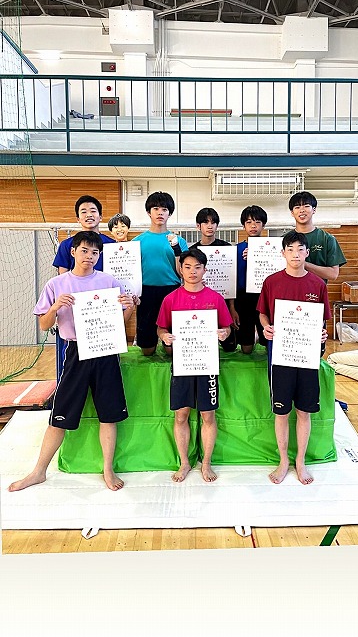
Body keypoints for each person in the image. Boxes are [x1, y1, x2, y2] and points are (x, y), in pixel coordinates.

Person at [8, 231, 134, 493]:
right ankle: (38, 471)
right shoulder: (57, 284)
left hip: (105, 351)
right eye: (84, 251)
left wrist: (130, 307)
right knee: (59, 414)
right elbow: (44, 325)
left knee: (108, 415)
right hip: (75, 351)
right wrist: (55, 307)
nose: (90, 256)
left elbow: (119, 323)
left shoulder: (109, 282)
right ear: (73, 252)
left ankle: (108, 468)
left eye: (95, 252)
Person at [257, 230, 331, 486]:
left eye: (300, 249)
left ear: (307, 253)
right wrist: (266, 327)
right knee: (281, 412)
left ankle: (300, 461)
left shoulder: (318, 284)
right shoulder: (272, 282)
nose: (296, 254)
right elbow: (263, 314)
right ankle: (283, 461)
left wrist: (322, 334)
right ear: (283, 253)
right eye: (290, 249)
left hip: (307, 357)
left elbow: (322, 321)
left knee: (303, 412)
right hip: (281, 356)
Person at [156, 248, 232, 483]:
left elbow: (227, 327)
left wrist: (224, 333)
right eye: (187, 267)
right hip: (182, 363)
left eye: (197, 267)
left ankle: (206, 463)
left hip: (207, 364)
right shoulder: (171, 299)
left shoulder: (215, 298)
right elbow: (161, 327)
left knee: (208, 415)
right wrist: (164, 336)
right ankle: (185, 462)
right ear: (181, 269)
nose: (192, 271)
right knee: (181, 415)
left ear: (204, 270)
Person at [132, 191, 189, 356]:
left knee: (172, 348)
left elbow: (183, 273)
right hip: (146, 292)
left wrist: (177, 250)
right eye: (156, 209)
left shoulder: (179, 241)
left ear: (169, 213)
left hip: (172, 291)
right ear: (148, 212)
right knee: (147, 348)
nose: (160, 213)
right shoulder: (137, 242)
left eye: (164, 209)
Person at [227, 205, 268, 354]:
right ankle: (251, 341)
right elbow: (231, 280)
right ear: (243, 225)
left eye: (257, 222)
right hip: (243, 297)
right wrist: (232, 307)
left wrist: (258, 256)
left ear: (263, 225)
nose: (253, 226)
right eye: (249, 222)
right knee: (246, 348)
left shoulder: (272, 249)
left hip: (264, 296)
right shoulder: (236, 249)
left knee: (267, 340)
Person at [288, 191, 346, 283]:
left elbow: (333, 274)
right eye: (297, 207)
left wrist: (303, 264)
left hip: (316, 290)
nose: (302, 210)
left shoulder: (327, 239)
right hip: (289, 290)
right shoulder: (283, 240)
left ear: (314, 210)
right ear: (292, 212)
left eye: (306, 206)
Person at [53, 195, 115, 274]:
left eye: (93, 211)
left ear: (100, 217)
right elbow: (63, 276)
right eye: (84, 212)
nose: (89, 215)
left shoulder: (112, 244)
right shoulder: (66, 245)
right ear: (78, 219)